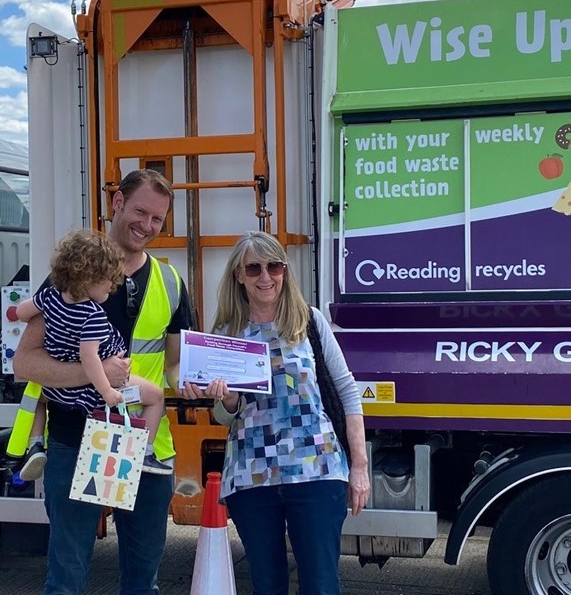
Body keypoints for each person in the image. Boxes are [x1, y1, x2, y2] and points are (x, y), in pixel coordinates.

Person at [14, 169, 194, 595]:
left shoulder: (171, 282)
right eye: (140, 211)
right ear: (116, 203)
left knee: (142, 584)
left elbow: (172, 367)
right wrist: (94, 375)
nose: (147, 226)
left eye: (157, 219)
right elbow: (24, 362)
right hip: (75, 439)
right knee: (66, 581)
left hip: (145, 446)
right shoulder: (72, 276)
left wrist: (196, 382)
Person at [183, 231, 369, 595]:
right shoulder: (226, 333)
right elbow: (225, 415)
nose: (265, 276)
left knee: (321, 584)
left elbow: (348, 392)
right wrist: (228, 400)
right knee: (267, 585)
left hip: (316, 469)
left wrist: (359, 467)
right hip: (253, 476)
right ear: (239, 274)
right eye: (254, 267)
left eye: (274, 266)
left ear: (285, 270)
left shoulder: (309, 322)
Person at [15, 229, 174, 478]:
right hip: (100, 386)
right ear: (89, 278)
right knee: (155, 396)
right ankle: (146, 453)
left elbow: (23, 312)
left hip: (59, 388)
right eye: (109, 281)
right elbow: (90, 357)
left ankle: (35, 444)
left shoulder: (50, 295)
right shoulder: (93, 316)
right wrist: (107, 389)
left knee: (37, 395)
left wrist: (21, 314)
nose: (112, 288)